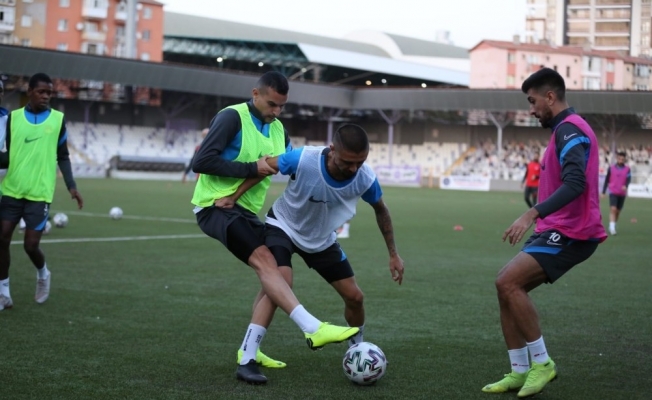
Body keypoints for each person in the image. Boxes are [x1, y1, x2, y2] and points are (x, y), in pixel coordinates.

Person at [190, 71, 359, 384]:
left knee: (280, 276)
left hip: (247, 212)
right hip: (216, 206)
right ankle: (313, 327)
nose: (276, 111)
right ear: (255, 94)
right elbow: (201, 163)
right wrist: (249, 169)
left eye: (282, 106)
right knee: (266, 263)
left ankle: (249, 353)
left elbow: (288, 165)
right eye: (272, 104)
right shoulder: (231, 118)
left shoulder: (279, 129)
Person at [216, 123, 404, 384]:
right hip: (283, 225)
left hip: (321, 240)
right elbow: (266, 166)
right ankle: (247, 357)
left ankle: (356, 348)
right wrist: (234, 196)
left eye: (360, 162)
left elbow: (381, 209)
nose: (353, 168)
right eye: (348, 162)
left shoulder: (365, 177)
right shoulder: (303, 159)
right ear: (332, 149)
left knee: (355, 297)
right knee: (281, 281)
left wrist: (393, 254)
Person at [482, 68, 606, 398]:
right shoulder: (564, 131)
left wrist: (530, 213)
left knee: (507, 282)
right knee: (506, 285)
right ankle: (519, 371)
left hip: (573, 231)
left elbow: (576, 183)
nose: (532, 109)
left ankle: (542, 363)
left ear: (550, 97)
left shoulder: (569, 131)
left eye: (533, 101)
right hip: (556, 228)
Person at [0, 73, 84, 311]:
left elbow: (63, 156)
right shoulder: (13, 119)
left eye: (50, 92)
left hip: (39, 194)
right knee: (2, 237)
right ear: (30, 91)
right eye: (42, 92)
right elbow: (6, 156)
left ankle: (43, 274)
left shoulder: (57, 120)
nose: (46, 96)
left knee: (30, 246)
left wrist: (72, 186)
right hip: (12, 189)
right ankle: (4, 293)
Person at [601, 151, 631, 235]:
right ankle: (612, 228)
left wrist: (626, 185)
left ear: (624, 159)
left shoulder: (627, 169)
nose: (621, 160)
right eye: (619, 158)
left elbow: (628, 179)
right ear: (617, 158)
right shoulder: (611, 168)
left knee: (618, 211)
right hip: (613, 191)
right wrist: (603, 191)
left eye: (622, 159)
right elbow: (607, 180)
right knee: (613, 209)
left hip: (622, 193)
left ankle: (613, 223)